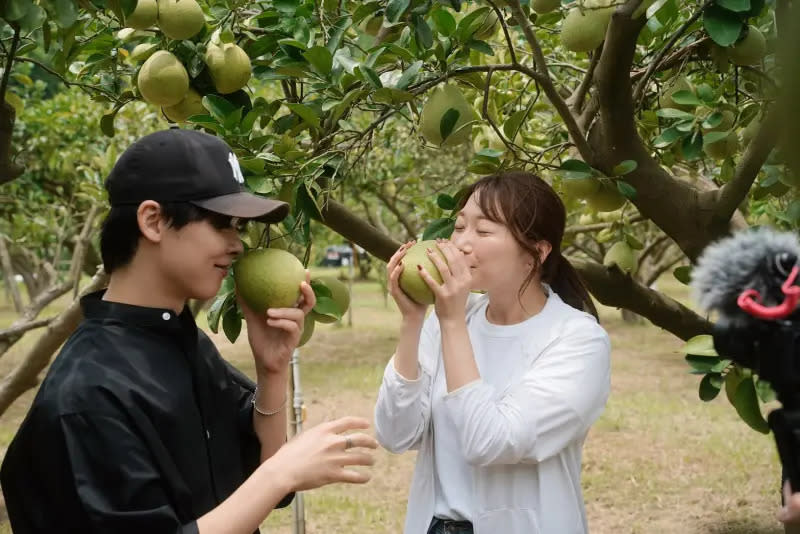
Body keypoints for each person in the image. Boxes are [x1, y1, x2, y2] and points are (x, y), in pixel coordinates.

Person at [0, 129, 378, 534]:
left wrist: (272, 370)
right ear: (153, 221)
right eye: (221, 224)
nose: (237, 245)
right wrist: (280, 475)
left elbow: (259, 474)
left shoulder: (183, 342)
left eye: (238, 227)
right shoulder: (88, 395)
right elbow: (270, 479)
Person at [374, 170, 612, 534]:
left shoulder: (578, 341)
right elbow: (395, 434)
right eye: (458, 227)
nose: (462, 244)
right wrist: (413, 321)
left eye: (483, 231)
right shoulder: (444, 322)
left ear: (536, 252)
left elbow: (491, 441)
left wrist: (452, 322)